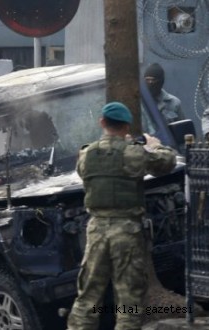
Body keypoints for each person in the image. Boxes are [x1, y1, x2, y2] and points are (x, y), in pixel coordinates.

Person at [66, 102, 176, 330]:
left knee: (87, 297)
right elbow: (167, 162)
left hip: (96, 231)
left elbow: (84, 170)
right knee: (128, 302)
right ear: (127, 126)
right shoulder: (134, 153)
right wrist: (153, 147)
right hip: (127, 232)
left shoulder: (86, 154)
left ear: (102, 122)